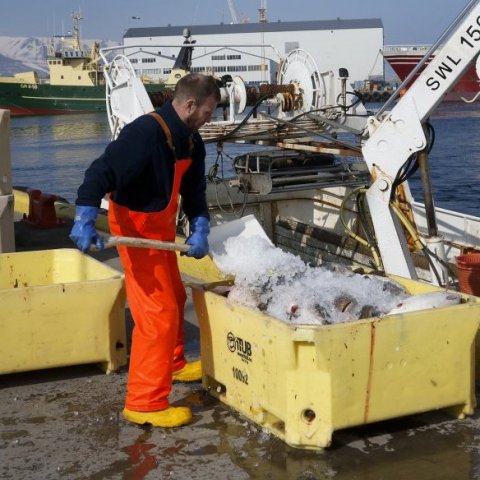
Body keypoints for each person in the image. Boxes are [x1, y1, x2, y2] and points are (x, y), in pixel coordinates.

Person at [69, 73, 221, 428]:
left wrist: (200, 225)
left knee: (175, 292)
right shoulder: (144, 134)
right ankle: (144, 402)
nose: (212, 118)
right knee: (158, 312)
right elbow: (99, 172)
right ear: (189, 105)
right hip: (135, 228)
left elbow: (195, 191)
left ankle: (173, 363)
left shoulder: (193, 142)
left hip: (162, 227)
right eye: (209, 111)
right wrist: (85, 213)